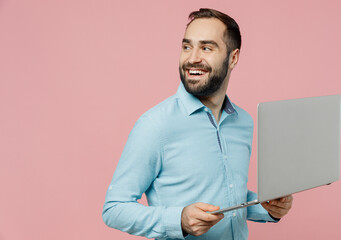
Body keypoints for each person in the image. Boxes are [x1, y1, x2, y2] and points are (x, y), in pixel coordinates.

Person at [102, 8, 293, 240]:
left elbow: (230, 195)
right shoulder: (155, 125)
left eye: (206, 48)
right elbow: (114, 209)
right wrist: (179, 220)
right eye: (186, 46)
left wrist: (267, 208)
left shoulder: (243, 122)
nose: (192, 58)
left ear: (233, 58)